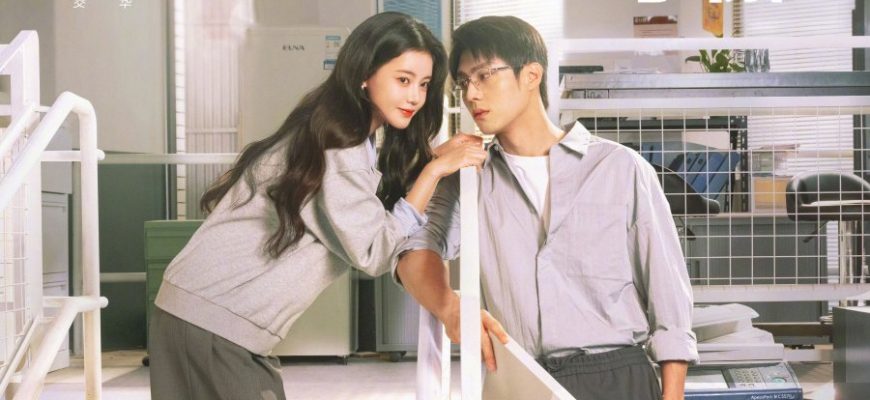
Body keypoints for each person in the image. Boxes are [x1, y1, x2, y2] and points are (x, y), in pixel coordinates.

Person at [149, 12, 487, 400]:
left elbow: (366, 207)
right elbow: (375, 250)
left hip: (201, 314)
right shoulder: (340, 147)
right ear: (365, 74)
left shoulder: (342, 134)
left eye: (424, 84)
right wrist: (433, 172)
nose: (415, 97)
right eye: (403, 80)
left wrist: (431, 162)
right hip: (213, 322)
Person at [394, 15, 698, 400]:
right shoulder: (468, 179)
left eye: (484, 75)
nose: (471, 94)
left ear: (531, 75)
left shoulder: (621, 167)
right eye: (464, 82)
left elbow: (669, 300)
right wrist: (451, 307)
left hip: (619, 376)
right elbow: (410, 252)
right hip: (522, 379)